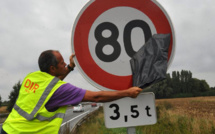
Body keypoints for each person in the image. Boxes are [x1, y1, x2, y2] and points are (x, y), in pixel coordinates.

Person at [1, 50, 142, 134]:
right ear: (52, 68)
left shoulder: (31, 77)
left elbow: (51, 84)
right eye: (62, 63)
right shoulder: (61, 90)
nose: (64, 64)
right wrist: (127, 93)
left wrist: (69, 67)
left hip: (7, 129)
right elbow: (96, 97)